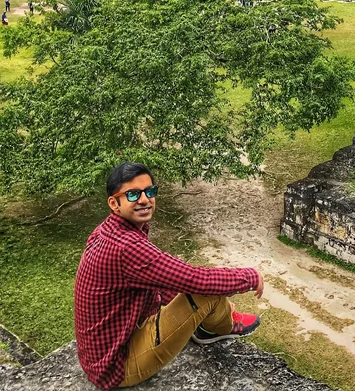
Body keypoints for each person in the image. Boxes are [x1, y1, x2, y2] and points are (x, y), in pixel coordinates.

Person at [74, 163, 263, 389]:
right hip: (116, 366)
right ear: (114, 203)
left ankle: (208, 324)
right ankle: (224, 325)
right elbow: (195, 279)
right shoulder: (126, 247)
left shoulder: (109, 230)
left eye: (150, 191)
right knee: (207, 293)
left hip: (113, 347)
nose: (144, 199)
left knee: (198, 289)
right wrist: (250, 277)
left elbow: (160, 279)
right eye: (133, 194)